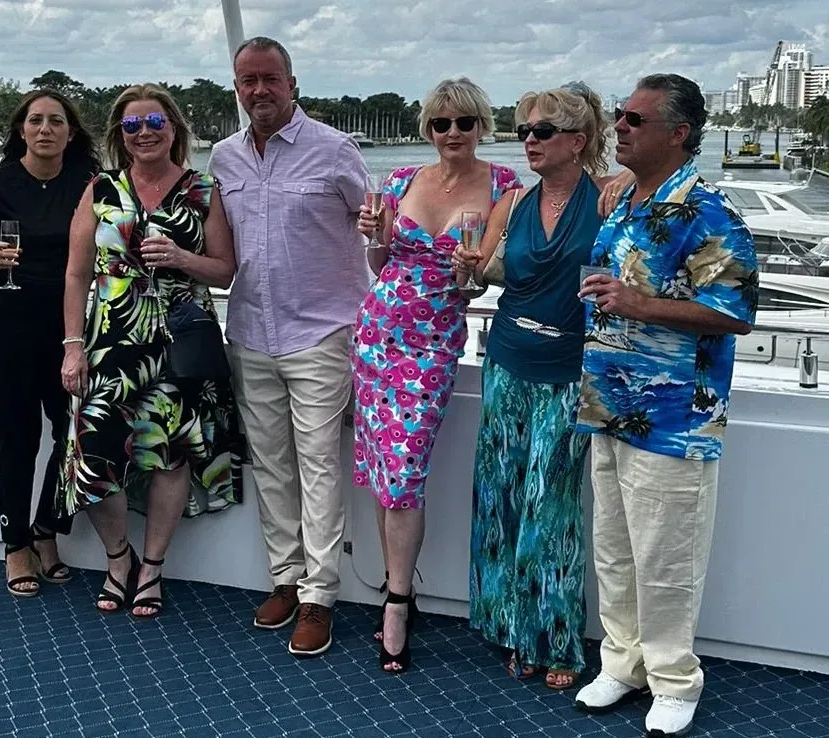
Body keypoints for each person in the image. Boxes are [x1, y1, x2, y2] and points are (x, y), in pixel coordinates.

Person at [573, 74, 758, 737]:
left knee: (666, 559)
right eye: (619, 116)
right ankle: (623, 661)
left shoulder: (709, 211)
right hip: (608, 401)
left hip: (676, 417)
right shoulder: (626, 202)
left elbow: (734, 314)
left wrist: (639, 304)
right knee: (616, 551)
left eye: (633, 119)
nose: (618, 126)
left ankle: (675, 678)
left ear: (677, 134)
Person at [453, 82, 632, 689]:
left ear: (577, 142)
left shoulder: (608, 198)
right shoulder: (515, 203)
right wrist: (467, 272)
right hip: (506, 359)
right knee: (502, 498)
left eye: (542, 132)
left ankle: (553, 636)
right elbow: (484, 281)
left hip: (569, 372)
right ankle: (508, 625)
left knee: (549, 504)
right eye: (524, 131)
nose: (527, 141)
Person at [208, 36, 369, 657]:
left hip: (322, 331)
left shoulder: (335, 150)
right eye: (248, 81)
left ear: (292, 82)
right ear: (238, 88)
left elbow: (378, 232)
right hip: (250, 329)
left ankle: (319, 595)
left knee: (321, 463)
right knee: (271, 462)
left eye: (270, 78)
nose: (259, 90)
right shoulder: (223, 158)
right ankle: (284, 577)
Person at [354, 77, 520, 673]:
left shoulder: (505, 187)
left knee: (402, 472)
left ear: (482, 126)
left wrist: (468, 271)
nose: (453, 134)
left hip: (432, 344)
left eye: (464, 123)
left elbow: (477, 281)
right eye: (441, 124)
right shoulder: (400, 182)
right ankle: (401, 590)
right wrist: (374, 240)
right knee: (381, 468)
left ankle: (397, 600)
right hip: (377, 335)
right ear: (428, 129)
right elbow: (380, 265)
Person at [59, 83, 243, 619]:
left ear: (174, 129)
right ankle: (118, 558)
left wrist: (184, 258)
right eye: (133, 125)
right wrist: (73, 347)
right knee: (94, 459)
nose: (144, 134)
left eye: (155, 123)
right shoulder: (101, 189)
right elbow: (75, 275)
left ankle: (152, 568)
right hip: (111, 344)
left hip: (181, 344)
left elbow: (226, 271)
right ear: (120, 135)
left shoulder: (203, 190)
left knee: (170, 453)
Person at [0, 89, 101, 598]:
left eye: (56, 121)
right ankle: (15, 544)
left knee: (72, 435)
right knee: (17, 435)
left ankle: (45, 530)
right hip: (6, 325)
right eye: (36, 120)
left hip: (70, 329)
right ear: (21, 130)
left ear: (70, 131)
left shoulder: (89, 186)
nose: (45, 129)